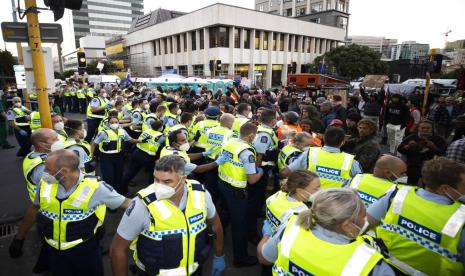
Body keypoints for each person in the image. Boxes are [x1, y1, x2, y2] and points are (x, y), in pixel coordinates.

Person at [9, 149, 131, 276]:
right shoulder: (45, 184)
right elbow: (34, 208)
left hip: (84, 251)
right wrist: (19, 237)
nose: (44, 173)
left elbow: (126, 203)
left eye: (48, 169)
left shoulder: (96, 188)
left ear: (64, 172)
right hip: (54, 250)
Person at [110, 156, 225, 276]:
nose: (159, 186)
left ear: (183, 179)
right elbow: (117, 250)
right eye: (156, 179)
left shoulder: (201, 194)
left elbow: (216, 226)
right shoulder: (142, 205)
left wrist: (219, 255)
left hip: (195, 271)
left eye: (167, 181)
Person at [258, 188, 397, 275]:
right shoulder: (371, 265)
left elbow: (264, 258)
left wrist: (267, 233)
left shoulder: (291, 228)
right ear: (347, 225)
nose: (366, 219)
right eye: (363, 215)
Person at [368, 157, 465, 275]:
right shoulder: (461, 219)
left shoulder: (397, 196)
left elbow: (365, 223)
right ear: (445, 189)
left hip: (384, 269)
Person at [218, 122, 264, 267]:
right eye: (255, 135)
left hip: (223, 183)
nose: (255, 138)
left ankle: (214, 234)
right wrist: (261, 172)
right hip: (237, 191)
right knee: (240, 225)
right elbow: (252, 179)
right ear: (251, 135)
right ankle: (240, 258)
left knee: (224, 211)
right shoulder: (247, 152)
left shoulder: (230, 142)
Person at [281, 126, 362, 189]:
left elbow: (286, 172)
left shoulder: (310, 154)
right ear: (342, 142)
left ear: (323, 139)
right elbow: (359, 185)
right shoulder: (351, 161)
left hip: (309, 201)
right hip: (336, 205)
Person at [91, 116, 139, 193]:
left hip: (119, 156)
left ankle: (117, 192)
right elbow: (94, 144)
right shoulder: (103, 133)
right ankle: (108, 194)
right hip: (106, 157)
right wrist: (91, 156)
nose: (114, 124)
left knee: (119, 176)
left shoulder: (122, 131)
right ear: (108, 123)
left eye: (116, 122)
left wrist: (141, 141)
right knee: (109, 178)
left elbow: (131, 140)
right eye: (112, 122)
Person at [264, 170, 320, 235]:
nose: (320, 191)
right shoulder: (301, 212)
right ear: (299, 190)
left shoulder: (278, 195)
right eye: (316, 189)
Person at [121, 120, 165, 194]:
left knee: (129, 173)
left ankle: (122, 190)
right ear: (160, 128)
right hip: (149, 157)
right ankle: (149, 193)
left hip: (137, 153)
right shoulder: (162, 137)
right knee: (152, 177)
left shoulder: (146, 131)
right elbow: (160, 150)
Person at [397, 120, 447, 185]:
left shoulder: (438, 139)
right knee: (410, 186)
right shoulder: (412, 137)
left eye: (428, 128)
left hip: (430, 168)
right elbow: (400, 149)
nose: (425, 130)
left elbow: (443, 152)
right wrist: (407, 146)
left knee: (428, 187)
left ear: (432, 129)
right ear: (418, 128)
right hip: (413, 167)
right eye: (423, 128)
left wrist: (433, 146)